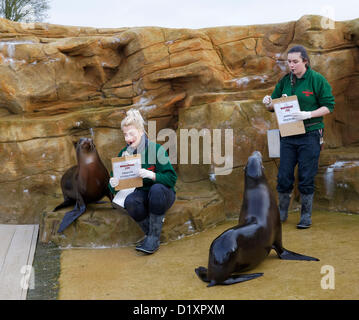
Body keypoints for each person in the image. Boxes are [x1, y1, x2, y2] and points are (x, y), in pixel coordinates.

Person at [262, 45, 335, 229]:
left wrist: (308, 114)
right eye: (289, 62)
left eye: (295, 62)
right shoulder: (286, 80)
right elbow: (274, 105)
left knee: (306, 175)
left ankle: (306, 215)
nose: (291, 65)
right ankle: (283, 212)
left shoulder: (317, 80)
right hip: (288, 134)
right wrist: (268, 103)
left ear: (305, 61)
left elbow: (329, 106)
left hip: (310, 133)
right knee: (284, 175)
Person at [109, 109, 177, 253]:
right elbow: (115, 184)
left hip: (162, 195)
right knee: (130, 201)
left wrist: (151, 175)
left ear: (140, 131)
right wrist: (113, 183)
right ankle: (152, 236)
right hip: (142, 195)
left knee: (156, 189)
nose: (128, 138)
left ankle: (152, 239)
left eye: (131, 133)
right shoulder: (124, 153)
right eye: (125, 134)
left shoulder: (157, 149)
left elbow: (172, 179)